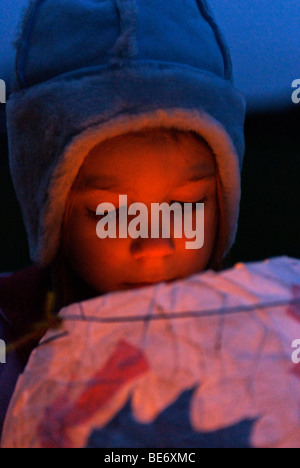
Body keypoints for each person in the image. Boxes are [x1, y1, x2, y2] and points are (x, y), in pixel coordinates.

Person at [0, 0, 246, 438]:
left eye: (186, 206)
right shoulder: (10, 354)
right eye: (111, 212)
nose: (154, 244)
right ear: (48, 214)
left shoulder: (263, 348)